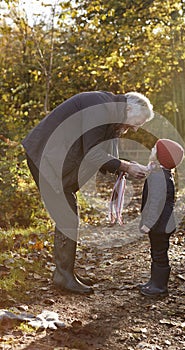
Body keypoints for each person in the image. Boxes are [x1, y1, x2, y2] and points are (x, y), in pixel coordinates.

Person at [22, 91, 154, 294]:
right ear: (128, 109)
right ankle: (63, 276)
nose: (135, 128)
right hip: (46, 157)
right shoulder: (101, 108)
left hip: (56, 159)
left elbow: (104, 154)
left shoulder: (111, 114)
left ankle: (65, 273)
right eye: (138, 122)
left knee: (69, 215)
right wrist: (125, 167)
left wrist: (126, 165)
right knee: (67, 217)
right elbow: (93, 153)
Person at [139, 138, 184, 298]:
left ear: (161, 156)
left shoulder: (159, 177)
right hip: (162, 224)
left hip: (159, 224)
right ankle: (154, 282)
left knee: (159, 254)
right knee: (157, 252)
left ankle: (159, 287)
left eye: (154, 149)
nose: (151, 150)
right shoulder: (162, 173)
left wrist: (148, 224)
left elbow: (156, 203)